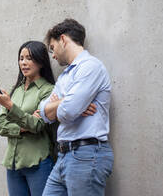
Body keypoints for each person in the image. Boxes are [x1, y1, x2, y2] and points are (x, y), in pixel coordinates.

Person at [0, 41, 96, 196]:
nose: (23, 63)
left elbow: (38, 125)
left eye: (29, 58)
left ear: (40, 62)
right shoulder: (15, 91)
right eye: (21, 58)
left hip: (38, 162)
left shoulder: (48, 91)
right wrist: (23, 126)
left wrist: (11, 107)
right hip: (12, 164)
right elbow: (0, 126)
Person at [40, 19, 114, 196]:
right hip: (64, 155)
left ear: (63, 40)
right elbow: (43, 112)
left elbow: (67, 112)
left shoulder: (91, 67)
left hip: (87, 155)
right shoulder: (65, 76)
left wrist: (64, 106)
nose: (53, 55)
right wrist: (67, 101)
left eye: (52, 47)